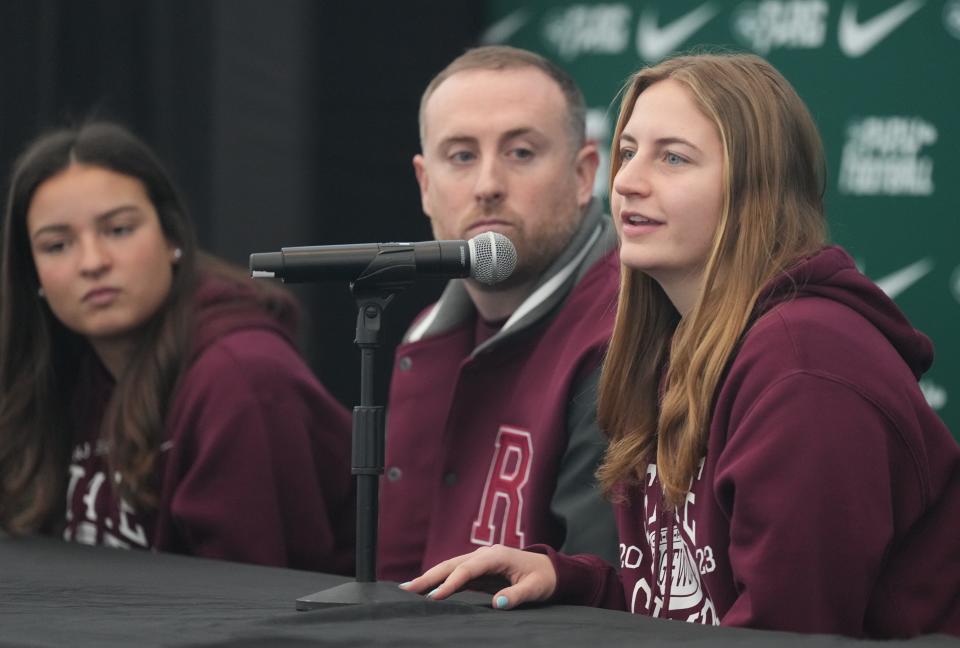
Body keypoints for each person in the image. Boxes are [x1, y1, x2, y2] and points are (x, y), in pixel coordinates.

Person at [399, 53, 960, 638]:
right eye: (629, 152)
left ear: (755, 186)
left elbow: (781, 634)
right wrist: (574, 581)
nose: (628, 182)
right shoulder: (681, 342)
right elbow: (688, 604)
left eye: (673, 157)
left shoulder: (805, 368)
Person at [0, 121, 355, 574]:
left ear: (172, 239)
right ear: (33, 275)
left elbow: (251, 609)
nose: (92, 262)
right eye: (57, 245)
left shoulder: (243, 379)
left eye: (119, 230)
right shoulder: (55, 373)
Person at [377, 46, 620, 582]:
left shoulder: (628, 332)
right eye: (461, 156)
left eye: (521, 153)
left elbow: (607, 602)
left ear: (585, 175)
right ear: (424, 185)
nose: (487, 184)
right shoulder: (427, 332)